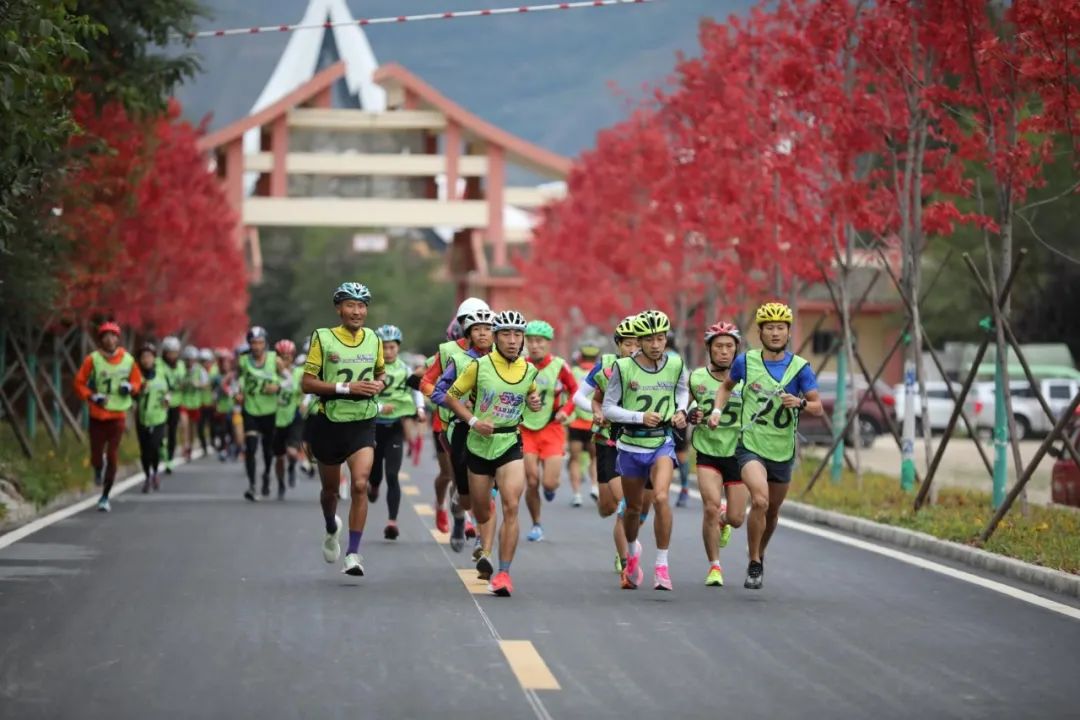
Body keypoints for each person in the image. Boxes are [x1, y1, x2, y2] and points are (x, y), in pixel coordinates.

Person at [708, 302, 823, 589]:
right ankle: (755, 561)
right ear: (760, 332)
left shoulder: (800, 368)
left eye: (780, 328)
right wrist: (717, 410)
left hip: (782, 450)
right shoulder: (745, 362)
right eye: (769, 328)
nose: (775, 333)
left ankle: (758, 552)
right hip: (751, 446)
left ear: (788, 332)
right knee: (759, 500)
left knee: (772, 511)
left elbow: (818, 407)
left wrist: (801, 403)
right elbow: (725, 386)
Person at [443, 310, 543, 597]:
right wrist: (474, 421)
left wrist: (533, 402)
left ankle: (503, 573)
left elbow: (531, 395)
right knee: (483, 507)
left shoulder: (528, 370)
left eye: (517, 335)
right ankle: (484, 547)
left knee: (511, 505)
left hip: (510, 441)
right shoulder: (479, 366)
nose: (513, 341)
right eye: (506, 335)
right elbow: (451, 397)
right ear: (497, 338)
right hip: (478, 444)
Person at [301, 282, 386, 577]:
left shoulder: (373, 338)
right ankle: (330, 525)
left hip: (362, 421)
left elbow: (380, 372)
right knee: (330, 491)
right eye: (350, 305)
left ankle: (353, 553)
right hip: (330, 422)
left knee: (360, 484)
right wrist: (346, 387)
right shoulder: (323, 339)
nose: (357, 311)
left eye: (362, 306)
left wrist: (380, 383)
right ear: (339, 308)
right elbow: (307, 383)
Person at [601, 310, 689, 591]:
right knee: (634, 509)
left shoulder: (676, 364)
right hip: (630, 445)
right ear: (638, 340)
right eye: (649, 339)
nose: (655, 344)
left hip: (661, 442)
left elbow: (682, 392)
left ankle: (662, 566)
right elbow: (609, 408)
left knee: (662, 497)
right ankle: (631, 550)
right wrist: (639, 417)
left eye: (660, 338)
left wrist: (680, 411)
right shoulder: (624, 368)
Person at [572, 315, 646, 574]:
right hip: (608, 440)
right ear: (618, 345)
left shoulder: (655, 369)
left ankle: (625, 557)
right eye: (628, 344)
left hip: (639, 442)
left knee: (626, 503)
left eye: (639, 343)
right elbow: (578, 396)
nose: (633, 349)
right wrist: (597, 412)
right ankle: (626, 547)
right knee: (609, 506)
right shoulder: (605, 366)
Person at [420, 298, 490, 538]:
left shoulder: (497, 352)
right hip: (448, 424)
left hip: (487, 425)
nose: (479, 329)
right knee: (452, 474)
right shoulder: (448, 351)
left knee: (485, 481)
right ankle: (458, 513)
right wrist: (453, 403)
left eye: (485, 324)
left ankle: (478, 530)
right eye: (468, 322)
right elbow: (426, 383)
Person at [687, 321, 744, 587]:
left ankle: (725, 519)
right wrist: (691, 415)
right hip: (707, 449)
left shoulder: (746, 379)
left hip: (739, 452)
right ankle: (715, 566)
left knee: (736, 518)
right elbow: (683, 411)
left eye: (729, 347)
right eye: (718, 346)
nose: (724, 352)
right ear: (709, 349)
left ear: (737, 350)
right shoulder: (696, 377)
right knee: (709, 506)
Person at [73, 322, 143, 512]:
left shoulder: (128, 360)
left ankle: (105, 496)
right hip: (97, 414)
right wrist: (92, 396)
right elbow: (79, 383)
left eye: (113, 336)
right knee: (96, 453)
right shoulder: (92, 359)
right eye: (105, 335)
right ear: (100, 339)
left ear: (118, 339)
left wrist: (130, 387)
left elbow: (137, 380)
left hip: (118, 414)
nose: (109, 339)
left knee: (112, 455)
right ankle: (97, 466)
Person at [520, 320, 578, 542]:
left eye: (539, 341)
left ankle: (551, 488)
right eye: (531, 341)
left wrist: (566, 410)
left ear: (548, 343)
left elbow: (576, 391)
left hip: (552, 428)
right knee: (532, 480)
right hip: (525, 428)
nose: (534, 346)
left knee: (549, 483)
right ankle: (536, 524)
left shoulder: (559, 366)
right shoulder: (520, 365)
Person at [368, 325, 425, 540]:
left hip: (395, 427)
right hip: (373, 426)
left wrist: (419, 409)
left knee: (392, 475)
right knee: (375, 472)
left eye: (392, 347)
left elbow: (415, 390)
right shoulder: (371, 369)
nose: (388, 351)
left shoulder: (406, 370)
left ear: (398, 348)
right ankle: (373, 485)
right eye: (384, 347)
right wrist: (381, 407)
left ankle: (392, 521)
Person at [236, 327, 280, 501]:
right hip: (250, 409)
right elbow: (237, 380)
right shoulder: (243, 361)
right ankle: (252, 485)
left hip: (269, 411)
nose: (256, 346)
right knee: (251, 448)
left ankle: (267, 474)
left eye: (260, 343)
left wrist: (277, 387)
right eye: (253, 343)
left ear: (265, 343)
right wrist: (237, 393)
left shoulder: (274, 360)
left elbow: (287, 379)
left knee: (268, 449)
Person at [567, 342, 601, 505]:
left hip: (575, 423)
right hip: (594, 422)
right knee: (595, 458)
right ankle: (594, 486)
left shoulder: (573, 372)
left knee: (575, 459)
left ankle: (577, 495)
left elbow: (568, 396)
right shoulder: (600, 372)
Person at [134, 343, 170, 493]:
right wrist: (139, 390)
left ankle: (155, 472)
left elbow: (168, 390)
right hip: (142, 418)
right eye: (143, 357)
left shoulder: (161, 373)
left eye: (149, 357)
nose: (146, 360)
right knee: (145, 450)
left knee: (155, 446)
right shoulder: (136, 375)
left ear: (154, 358)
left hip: (159, 417)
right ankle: (147, 476)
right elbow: (132, 394)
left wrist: (167, 399)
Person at [273, 339, 305, 497]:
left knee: (292, 452)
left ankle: (292, 466)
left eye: (288, 356)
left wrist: (304, 402)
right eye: (282, 356)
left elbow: (305, 389)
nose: (285, 360)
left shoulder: (298, 372)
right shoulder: (271, 373)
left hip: (293, 416)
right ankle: (280, 483)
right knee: (279, 457)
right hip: (275, 418)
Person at [157, 336, 185, 474]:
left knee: (173, 431)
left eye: (175, 352)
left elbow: (182, 381)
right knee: (161, 431)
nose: (172, 355)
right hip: (162, 403)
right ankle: (162, 451)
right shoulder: (159, 365)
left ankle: (170, 459)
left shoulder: (180, 366)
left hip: (176, 403)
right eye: (169, 352)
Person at [179, 345, 208, 460]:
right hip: (183, 402)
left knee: (192, 428)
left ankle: (190, 445)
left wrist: (198, 384)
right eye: (187, 359)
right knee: (184, 425)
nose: (189, 362)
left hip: (195, 403)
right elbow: (177, 381)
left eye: (192, 359)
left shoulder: (200, 370)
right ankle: (185, 446)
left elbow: (206, 384)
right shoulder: (181, 368)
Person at [197, 348, 218, 457]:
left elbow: (216, 383)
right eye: (203, 361)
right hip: (200, 403)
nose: (205, 363)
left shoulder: (215, 370)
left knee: (212, 425)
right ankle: (204, 446)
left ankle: (213, 442)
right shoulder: (198, 370)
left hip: (212, 402)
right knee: (200, 426)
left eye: (207, 360)